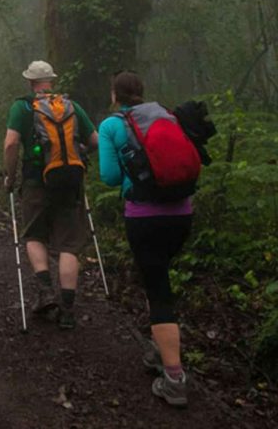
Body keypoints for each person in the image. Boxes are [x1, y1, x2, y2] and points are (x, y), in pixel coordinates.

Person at [98, 71, 194, 407]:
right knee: (160, 276)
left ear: (115, 95)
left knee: (157, 287)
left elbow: (109, 178)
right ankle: (159, 347)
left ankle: (174, 378)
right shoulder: (166, 114)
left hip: (144, 215)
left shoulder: (112, 125)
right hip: (182, 212)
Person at [3, 60, 98, 330]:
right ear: (51, 81)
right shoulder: (71, 106)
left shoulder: (22, 107)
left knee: (35, 234)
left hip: (36, 180)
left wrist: (10, 177)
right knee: (69, 244)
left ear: (30, 82)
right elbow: (95, 141)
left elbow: (11, 144)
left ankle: (45, 291)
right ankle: (68, 309)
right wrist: (76, 158)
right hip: (70, 181)